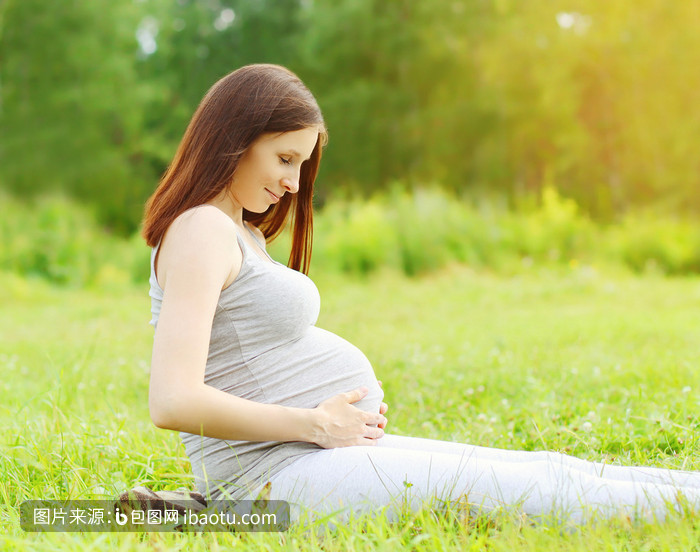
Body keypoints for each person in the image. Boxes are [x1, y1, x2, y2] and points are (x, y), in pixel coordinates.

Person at [142, 64, 700, 526]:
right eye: (284, 158)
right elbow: (173, 401)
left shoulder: (237, 229)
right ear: (236, 137)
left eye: (302, 164)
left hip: (308, 458)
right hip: (276, 477)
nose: (293, 182)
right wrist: (313, 423)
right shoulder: (201, 231)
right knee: (541, 494)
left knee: (550, 469)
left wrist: (325, 427)